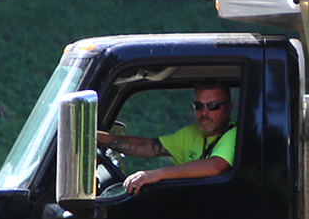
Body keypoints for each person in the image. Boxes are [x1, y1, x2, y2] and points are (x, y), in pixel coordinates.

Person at [99, 83, 235, 194]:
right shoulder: (190, 133)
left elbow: (214, 167)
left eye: (213, 106)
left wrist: (156, 174)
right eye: (198, 106)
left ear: (229, 108)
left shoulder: (235, 134)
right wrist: (96, 137)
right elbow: (145, 146)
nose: (204, 113)